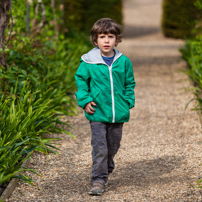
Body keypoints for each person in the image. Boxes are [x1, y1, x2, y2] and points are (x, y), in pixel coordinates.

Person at [75, 18, 136, 196]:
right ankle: (98, 180)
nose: (107, 41)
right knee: (100, 147)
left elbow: (129, 83)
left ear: (117, 39)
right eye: (102, 37)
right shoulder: (89, 62)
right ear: (95, 40)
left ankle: (107, 164)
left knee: (113, 145)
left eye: (111, 36)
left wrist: (128, 100)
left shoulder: (123, 62)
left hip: (118, 113)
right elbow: (81, 81)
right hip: (98, 112)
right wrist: (85, 101)